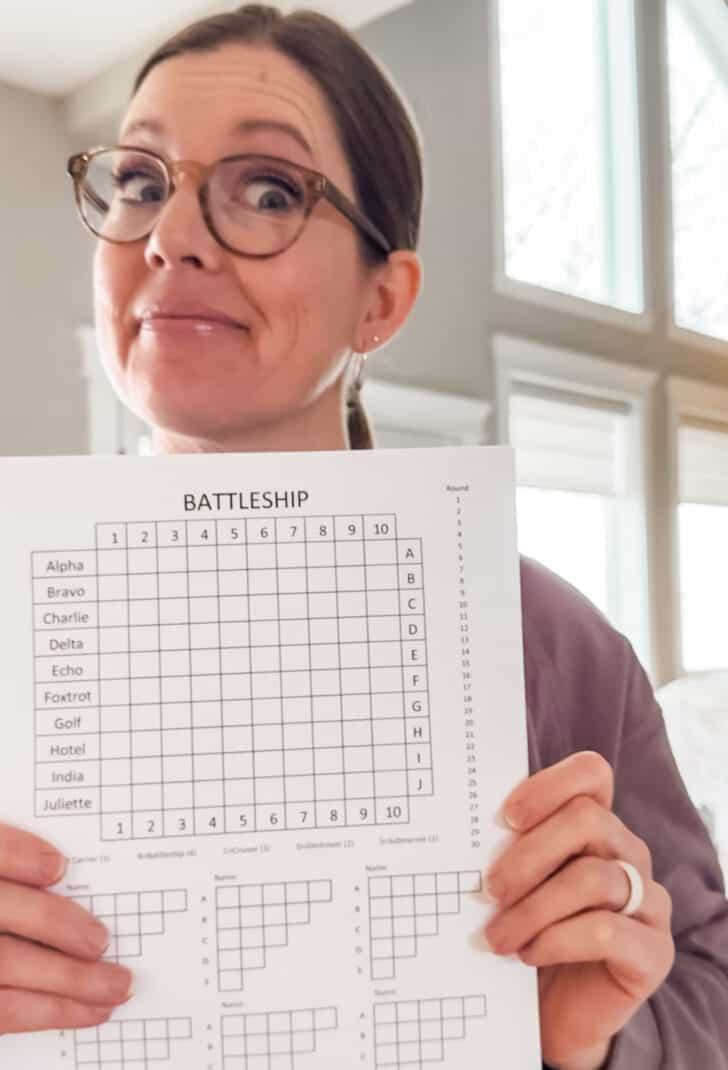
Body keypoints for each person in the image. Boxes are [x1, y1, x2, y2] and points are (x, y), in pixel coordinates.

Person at [2, 6, 726, 1067]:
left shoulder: (554, 644)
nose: (169, 235)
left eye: (267, 190)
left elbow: (708, 991)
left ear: (382, 299)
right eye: (142, 183)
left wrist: (596, 1037)